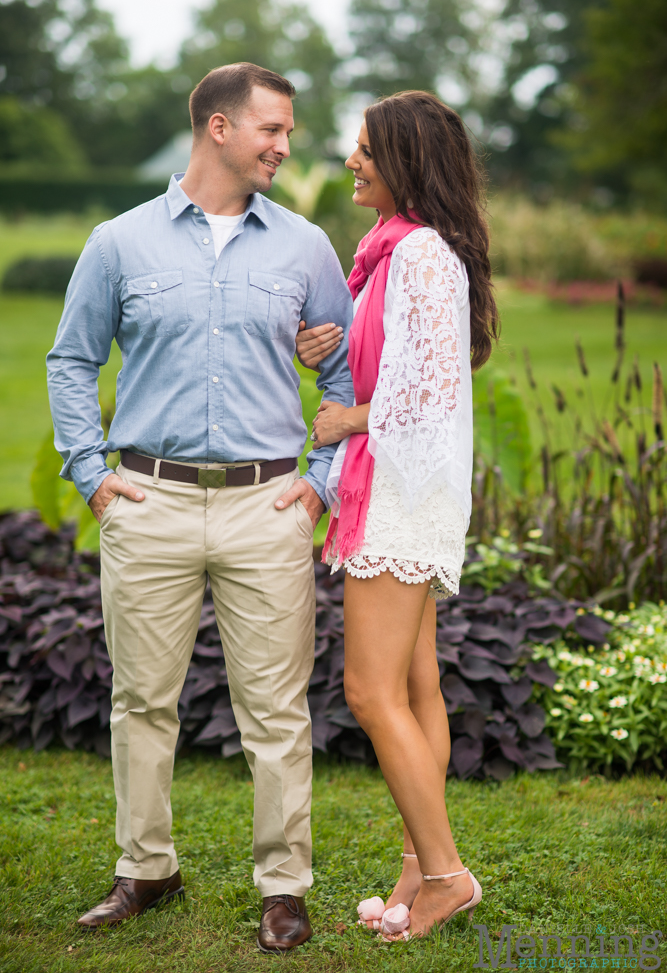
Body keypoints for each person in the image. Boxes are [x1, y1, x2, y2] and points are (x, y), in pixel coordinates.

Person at [46, 62, 353, 953]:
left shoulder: (303, 247)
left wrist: (320, 482)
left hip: (266, 506)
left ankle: (284, 886)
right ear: (218, 128)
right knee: (142, 700)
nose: (285, 147)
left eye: (288, 132)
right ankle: (146, 869)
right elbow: (71, 360)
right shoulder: (119, 242)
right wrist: (90, 472)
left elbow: (339, 376)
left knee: (277, 710)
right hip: (148, 501)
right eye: (272, 130)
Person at [296, 91, 499, 941]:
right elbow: (403, 361)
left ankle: (448, 876)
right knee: (415, 687)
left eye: (366, 151)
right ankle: (417, 873)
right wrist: (331, 351)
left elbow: (430, 393)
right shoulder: (393, 254)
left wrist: (350, 418)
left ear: (406, 163)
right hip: (405, 485)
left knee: (369, 691)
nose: (351, 160)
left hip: (400, 490)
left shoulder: (416, 255)